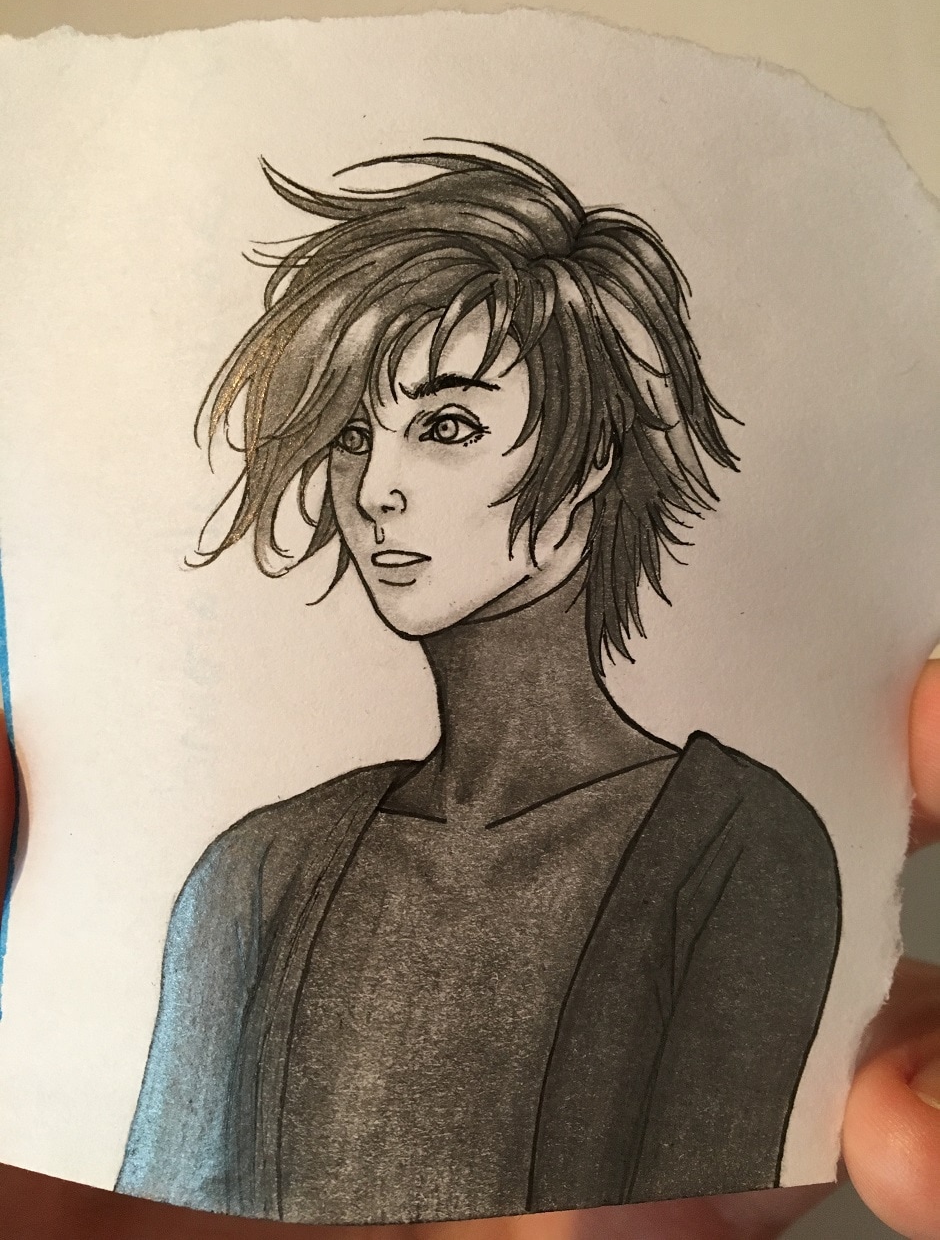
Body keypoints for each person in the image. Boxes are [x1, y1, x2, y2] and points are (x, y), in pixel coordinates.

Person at [116, 143, 845, 1226]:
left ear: (592, 454)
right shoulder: (257, 871)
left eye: (446, 427)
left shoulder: (737, 847)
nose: (375, 488)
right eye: (350, 435)